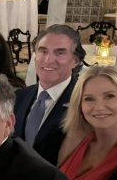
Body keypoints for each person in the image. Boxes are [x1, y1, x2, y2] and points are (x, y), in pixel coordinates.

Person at [14, 24, 84, 165]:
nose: (48, 60)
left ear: (75, 61)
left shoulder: (83, 101)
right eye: (43, 51)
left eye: (60, 53)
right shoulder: (20, 96)